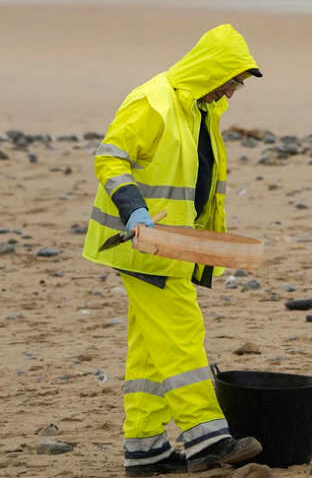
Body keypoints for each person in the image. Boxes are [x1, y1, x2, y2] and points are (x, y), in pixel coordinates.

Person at [81, 24, 264, 475]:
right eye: (234, 80)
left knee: (148, 349)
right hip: (142, 244)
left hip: (173, 246)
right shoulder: (154, 101)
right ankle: (207, 439)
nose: (235, 90)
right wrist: (134, 211)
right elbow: (110, 156)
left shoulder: (199, 108)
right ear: (213, 71)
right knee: (183, 336)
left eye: (239, 83)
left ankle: (145, 452)